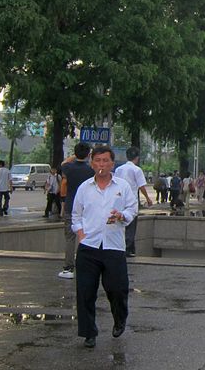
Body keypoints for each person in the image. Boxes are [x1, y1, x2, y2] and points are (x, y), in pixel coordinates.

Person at [71, 145, 137, 348]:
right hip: (88, 246)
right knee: (85, 291)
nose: (101, 164)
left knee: (117, 288)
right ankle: (89, 332)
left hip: (113, 246)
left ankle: (119, 318)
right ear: (92, 163)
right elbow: (76, 215)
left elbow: (132, 209)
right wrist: (81, 234)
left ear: (112, 163)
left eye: (105, 160)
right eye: (98, 160)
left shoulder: (122, 186)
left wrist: (122, 216)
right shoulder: (84, 188)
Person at [58, 142, 93, 280]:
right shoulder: (91, 169)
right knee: (87, 237)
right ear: (89, 155)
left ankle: (68, 268)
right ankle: (88, 266)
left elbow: (63, 162)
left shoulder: (68, 167)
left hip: (71, 207)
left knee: (70, 238)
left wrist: (76, 155)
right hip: (87, 208)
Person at [113, 147, 153, 257]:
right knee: (131, 224)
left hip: (119, 199)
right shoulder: (137, 170)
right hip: (132, 200)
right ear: (137, 157)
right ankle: (129, 248)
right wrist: (148, 198)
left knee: (119, 223)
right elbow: (141, 186)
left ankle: (119, 246)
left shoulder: (119, 169)